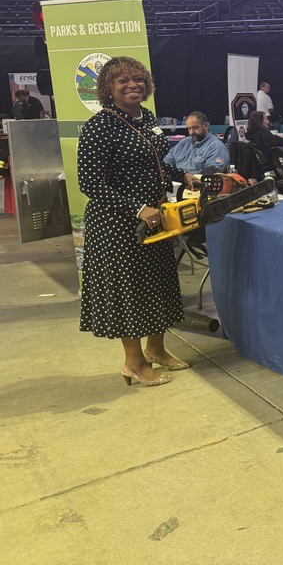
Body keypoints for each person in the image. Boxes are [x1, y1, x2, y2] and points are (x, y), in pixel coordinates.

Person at [77, 56, 196, 387]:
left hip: (156, 220)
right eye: (123, 81)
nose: (133, 85)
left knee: (158, 285)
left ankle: (156, 349)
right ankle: (134, 362)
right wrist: (137, 207)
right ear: (108, 88)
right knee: (128, 293)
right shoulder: (100, 126)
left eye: (138, 79)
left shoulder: (148, 119)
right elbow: (90, 183)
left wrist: (181, 174)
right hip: (117, 225)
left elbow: (154, 163)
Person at [163, 111, 229, 175]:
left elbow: (211, 172)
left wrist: (189, 179)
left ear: (205, 126)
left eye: (195, 128)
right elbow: (166, 162)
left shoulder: (216, 146)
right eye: (189, 129)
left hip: (198, 181)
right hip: (176, 180)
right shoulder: (183, 142)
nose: (191, 132)